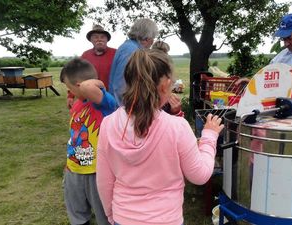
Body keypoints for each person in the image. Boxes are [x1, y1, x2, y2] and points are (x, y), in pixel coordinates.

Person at [96, 49, 224, 225]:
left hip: (123, 217)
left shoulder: (108, 124)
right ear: (165, 85)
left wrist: (111, 214)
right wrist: (209, 136)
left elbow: (104, 180)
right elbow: (200, 175)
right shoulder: (177, 127)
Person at [60, 58, 117, 225]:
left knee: (103, 216)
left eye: (69, 88)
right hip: (74, 168)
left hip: (96, 172)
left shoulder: (104, 102)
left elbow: (87, 88)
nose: (69, 92)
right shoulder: (78, 104)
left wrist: (92, 84)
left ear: (79, 85)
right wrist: (69, 163)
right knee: (76, 213)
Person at [108, 18, 159, 105]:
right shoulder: (131, 51)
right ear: (146, 38)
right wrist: (127, 109)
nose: (152, 42)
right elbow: (120, 85)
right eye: (152, 38)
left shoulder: (129, 47)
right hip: (123, 109)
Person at [66, 24, 116, 109]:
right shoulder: (85, 55)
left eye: (102, 37)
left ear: (107, 39)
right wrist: (71, 96)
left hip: (112, 99)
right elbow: (77, 76)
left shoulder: (116, 53)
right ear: (91, 40)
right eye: (95, 37)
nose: (99, 39)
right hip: (90, 98)